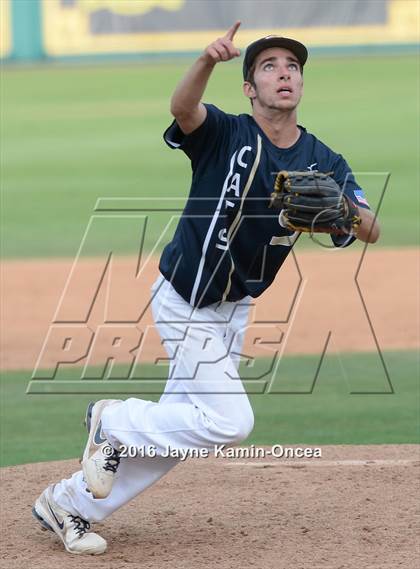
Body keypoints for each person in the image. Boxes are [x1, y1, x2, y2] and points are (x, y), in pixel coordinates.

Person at [32, 22, 380, 555]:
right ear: (249, 88)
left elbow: (371, 228)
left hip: (234, 308)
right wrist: (204, 61)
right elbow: (181, 109)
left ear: (301, 84)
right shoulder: (225, 132)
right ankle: (112, 418)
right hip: (184, 298)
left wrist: (345, 213)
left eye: (292, 67)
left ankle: (68, 503)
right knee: (230, 422)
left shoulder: (323, 162)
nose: (283, 73)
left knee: (182, 430)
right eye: (268, 67)